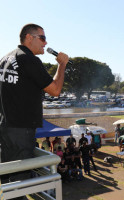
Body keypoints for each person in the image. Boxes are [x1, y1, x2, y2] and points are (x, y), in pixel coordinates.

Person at [0, 24, 69, 184]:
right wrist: (62, 65)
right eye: (42, 38)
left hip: (5, 127)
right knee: (20, 182)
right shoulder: (29, 59)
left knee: (6, 178)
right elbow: (55, 90)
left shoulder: (5, 59)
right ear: (29, 37)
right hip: (22, 129)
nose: (46, 43)